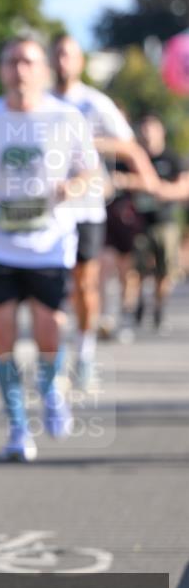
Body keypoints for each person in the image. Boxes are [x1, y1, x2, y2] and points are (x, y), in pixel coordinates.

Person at [0, 35, 98, 461]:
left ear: (43, 69)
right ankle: (16, 426)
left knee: (50, 330)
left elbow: (89, 169)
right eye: (12, 61)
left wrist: (73, 186)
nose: (20, 70)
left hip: (49, 243)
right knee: (3, 336)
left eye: (29, 61)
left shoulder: (66, 118)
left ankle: (51, 390)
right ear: (1, 70)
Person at [51, 34, 156, 384]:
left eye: (68, 55)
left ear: (80, 62)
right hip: (47, 209)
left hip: (86, 207)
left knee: (84, 283)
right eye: (57, 54)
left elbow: (128, 145)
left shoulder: (94, 103)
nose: (61, 61)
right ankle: (52, 354)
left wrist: (87, 139)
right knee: (50, 284)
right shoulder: (41, 102)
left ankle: (84, 352)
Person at [129, 114, 183, 330]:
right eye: (144, 131)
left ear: (161, 132)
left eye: (152, 130)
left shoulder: (173, 158)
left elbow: (183, 187)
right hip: (138, 223)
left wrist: (159, 189)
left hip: (165, 222)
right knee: (137, 270)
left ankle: (159, 309)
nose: (148, 135)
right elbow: (120, 181)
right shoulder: (135, 157)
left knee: (165, 271)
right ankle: (137, 305)